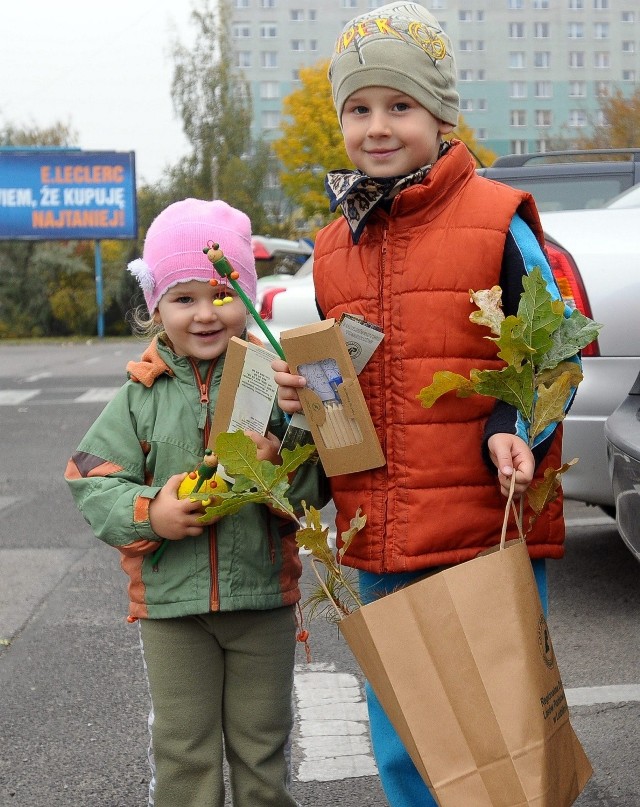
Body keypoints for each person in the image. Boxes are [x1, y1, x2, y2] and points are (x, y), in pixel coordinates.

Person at [272, 4, 578, 806]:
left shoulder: (495, 218)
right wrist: (303, 399)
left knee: (499, 733)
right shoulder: (334, 243)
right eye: (359, 108)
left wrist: (517, 430)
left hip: (484, 523)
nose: (378, 126)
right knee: (406, 741)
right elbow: (351, 381)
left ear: (442, 116)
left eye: (400, 105)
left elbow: (555, 348)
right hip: (380, 535)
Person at [65, 198, 328, 807]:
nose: (206, 315)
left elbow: (318, 492)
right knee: (185, 750)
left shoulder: (277, 385)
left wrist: (278, 467)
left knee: (263, 748)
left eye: (221, 295)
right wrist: (150, 511)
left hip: (262, 600)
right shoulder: (141, 394)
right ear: (156, 306)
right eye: (184, 299)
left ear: (247, 298)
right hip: (170, 609)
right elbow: (90, 476)